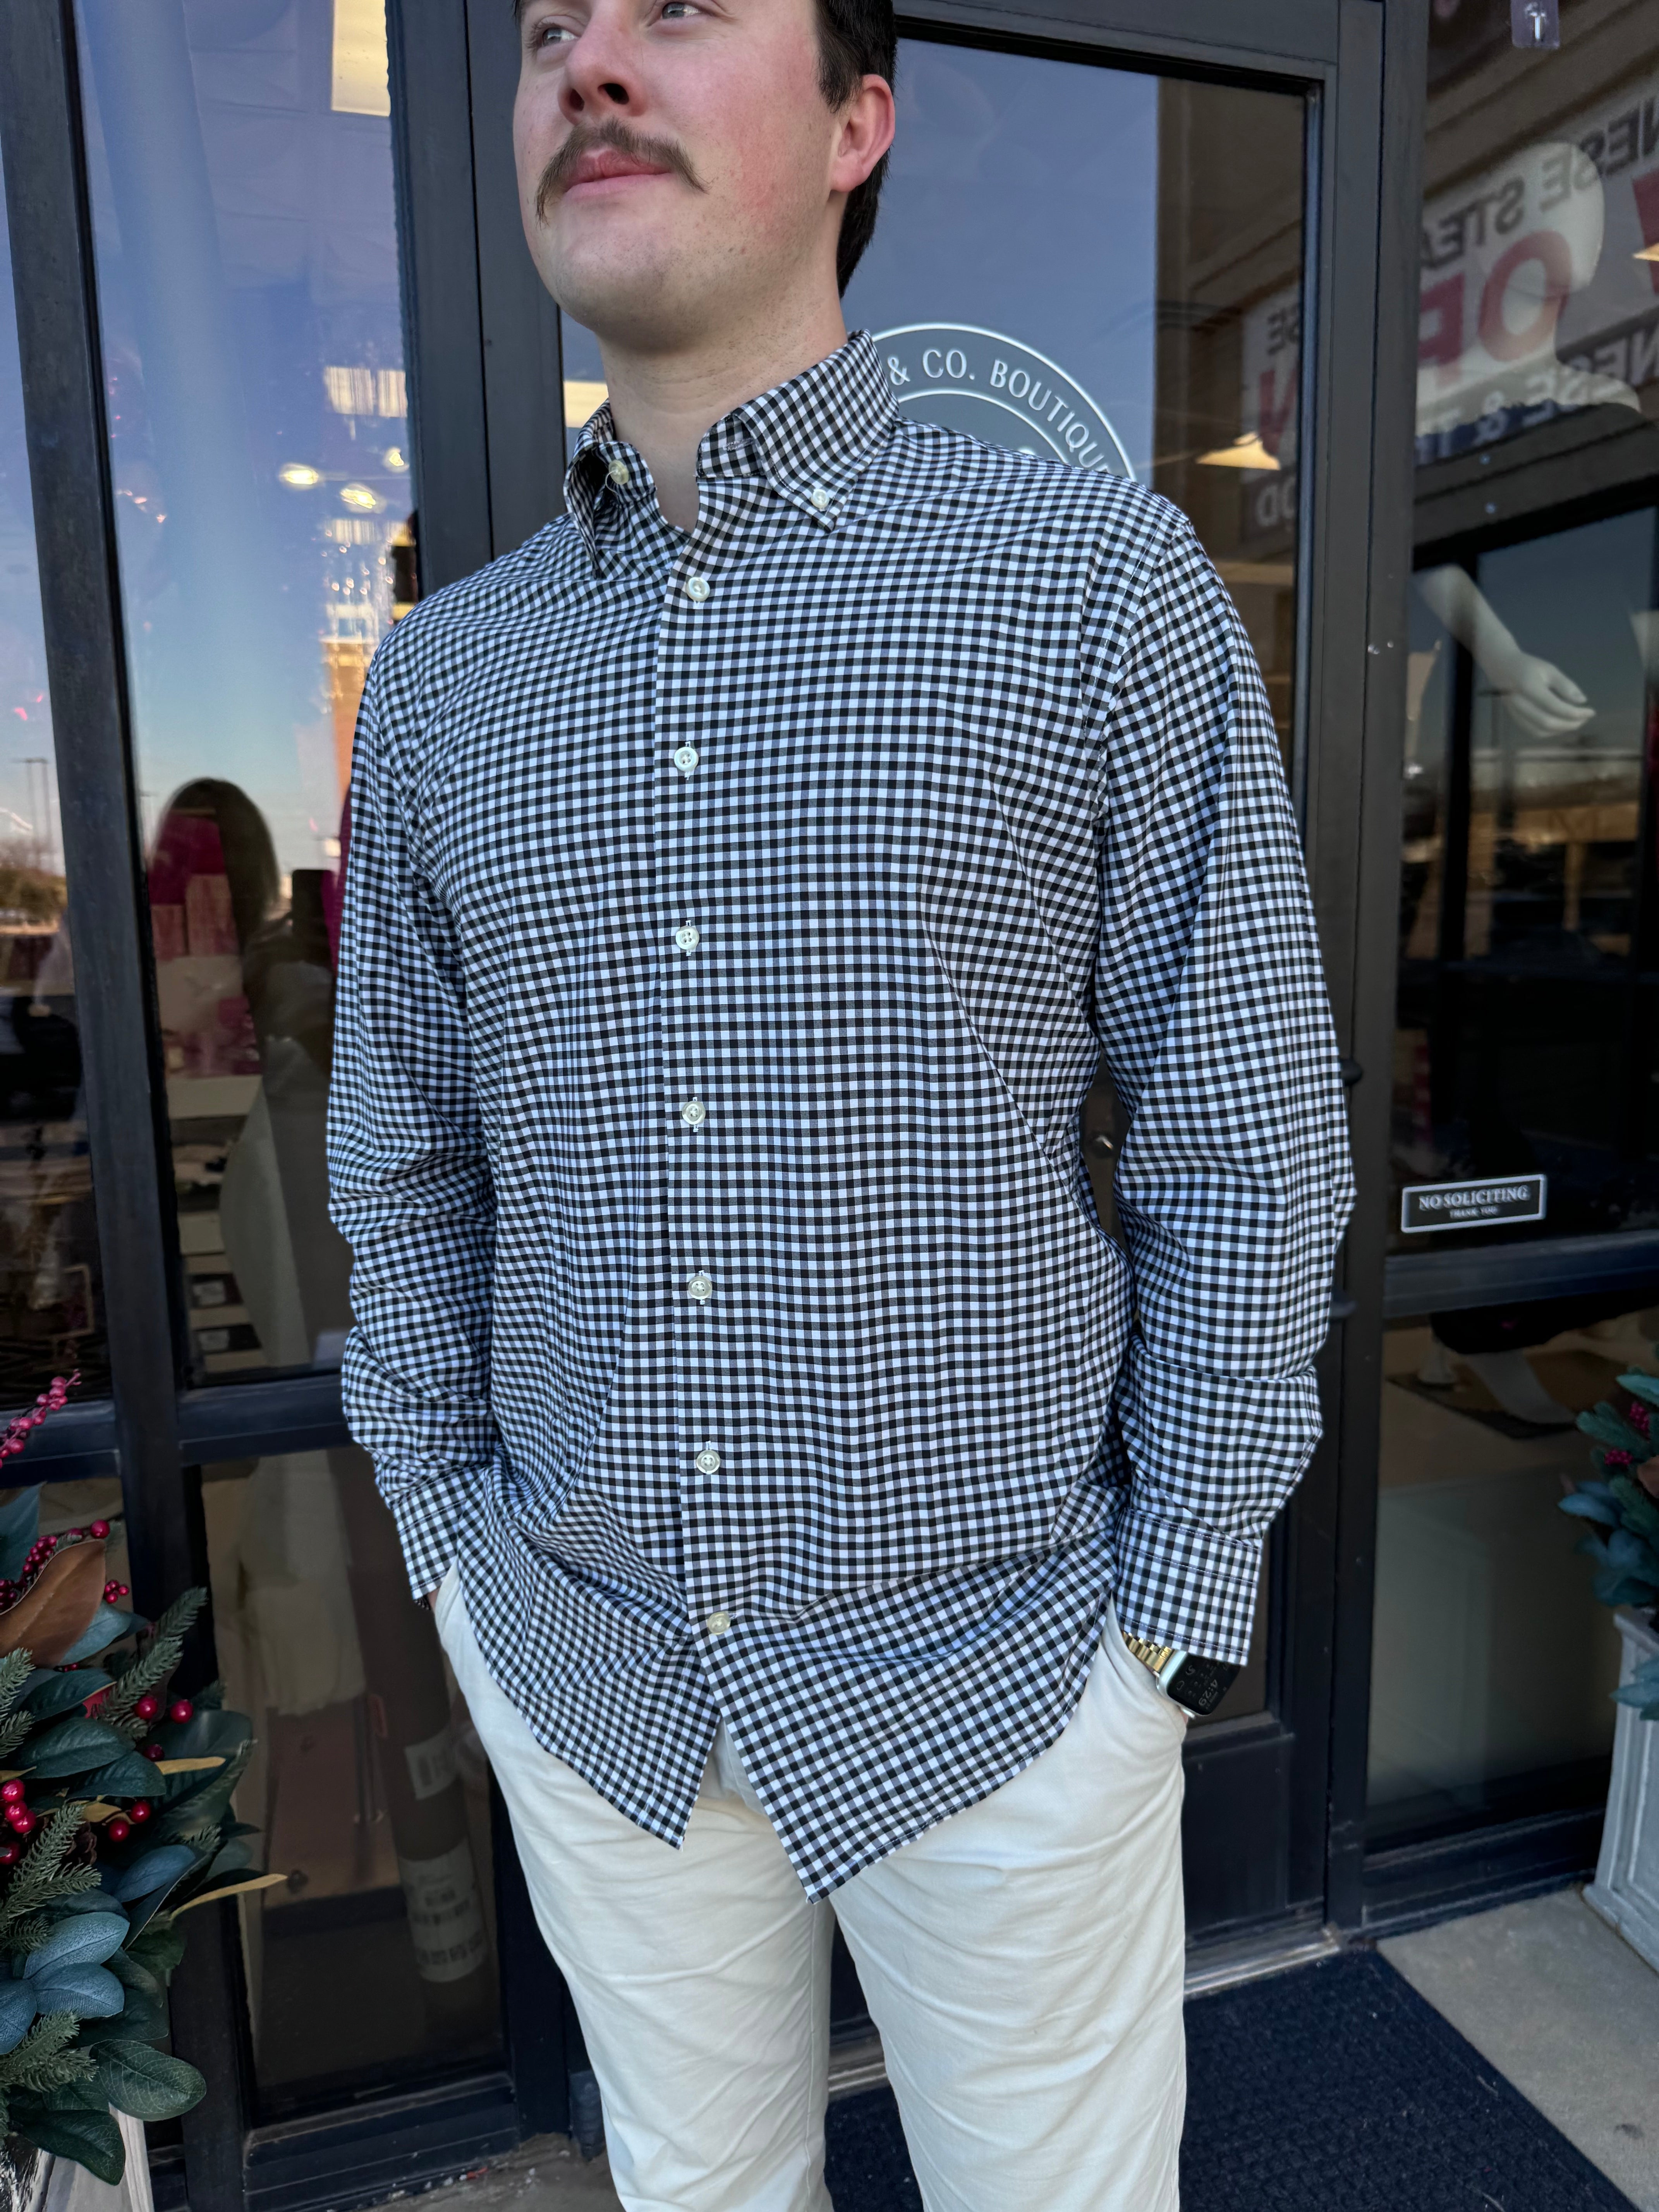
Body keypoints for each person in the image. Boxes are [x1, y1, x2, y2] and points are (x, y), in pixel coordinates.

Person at [327, 0, 1355, 2201]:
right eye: (547, 29)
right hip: (590, 1664)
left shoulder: (1092, 587)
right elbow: (405, 1159)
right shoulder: (442, 682)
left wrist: (1166, 1623)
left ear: (859, 119)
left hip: (1011, 1678)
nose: (589, 64)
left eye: (679, 9)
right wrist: (450, 1550)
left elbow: (1247, 1138)